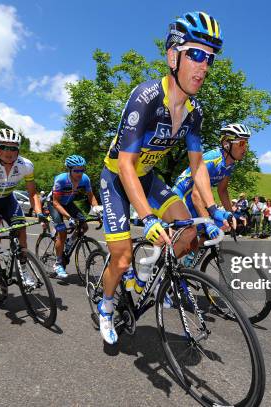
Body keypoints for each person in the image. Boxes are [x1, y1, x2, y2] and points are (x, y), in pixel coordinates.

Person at [97, 11, 228, 345]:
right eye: (196, 55)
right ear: (173, 56)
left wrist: (214, 209)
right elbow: (126, 165)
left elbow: (198, 166)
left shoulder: (194, 113)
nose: (203, 66)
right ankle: (107, 305)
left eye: (209, 58)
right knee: (122, 256)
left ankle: (144, 278)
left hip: (148, 178)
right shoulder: (146, 97)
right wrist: (147, 217)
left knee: (188, 233)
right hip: (116, 178)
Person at [0, 129, 47, 288]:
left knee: (22, 231)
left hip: (8, 201)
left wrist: (39, 212)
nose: (8, 152)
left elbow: (32, 194)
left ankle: (23, 269)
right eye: (3, 147)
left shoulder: (26, 165)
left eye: (13, 148)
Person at [173, 122, 251, 244]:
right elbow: (196, 195)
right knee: (190, 234)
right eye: (241, 143)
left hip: (197, 198)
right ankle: (163, 259)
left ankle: (189, 262)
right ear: (226, 144)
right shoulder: (212, 159)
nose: (245, 148)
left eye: (246, 143)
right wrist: (207, 222)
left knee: (211, 232)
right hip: (182, 194)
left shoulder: (230, 164)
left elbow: (222, 190)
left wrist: (230, 215)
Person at [49, 155, 100, 279]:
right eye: (76, 170)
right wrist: (68, 217)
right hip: (54, 204)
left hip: (68, 203)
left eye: (82, 170)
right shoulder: (61, 179)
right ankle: (58, 263)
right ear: (70, 170)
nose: (79, 173)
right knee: (62, 232)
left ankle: (68, 243)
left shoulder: (85, 179)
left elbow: (91, 196)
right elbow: (55, 202)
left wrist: (98, 210)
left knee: (84, 226)